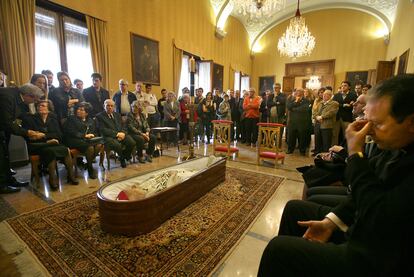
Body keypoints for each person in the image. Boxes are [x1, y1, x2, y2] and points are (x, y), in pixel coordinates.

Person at [258, 74, 414, 276]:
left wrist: (355, 154)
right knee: (294, 209)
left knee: (278, 250)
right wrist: (331, 221)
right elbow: (361, 194)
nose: (369, 131)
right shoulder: (397, 144)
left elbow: (377, 215)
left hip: (377, 256)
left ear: (411, 123)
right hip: (364, 228)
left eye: (378, 124)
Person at [22, 100, 79, 190]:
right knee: (50, 152)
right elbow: (31, 136)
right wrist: (47, 138)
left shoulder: (53, 118)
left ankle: (71, 176)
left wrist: (44, 135)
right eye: (39, 106)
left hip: (53, 143)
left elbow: (59, 134)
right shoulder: (31, 119)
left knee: (65, 149)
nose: (40, 107)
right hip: (38, 145)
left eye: (43, 106)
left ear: (49, 109)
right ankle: (52, 179)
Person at [0, 84, 45, 194]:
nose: (34, 103)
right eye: (34, 100)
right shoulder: (7, 97)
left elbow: (21, 118)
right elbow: (7, 122)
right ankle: (2, 185)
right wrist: (28, 133)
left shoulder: (19, 98)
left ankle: (10, 180)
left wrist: (32, 130)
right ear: (28, 96)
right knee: (0, 156)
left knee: (5, 155)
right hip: (2, 127)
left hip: (3, 130)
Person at [63, 102, 103, 179]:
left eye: (81, 110)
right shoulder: (71, 118)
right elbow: (70, 131)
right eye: (78, 109)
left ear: (87, 113)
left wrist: (93, 135)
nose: (78, 111)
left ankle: (88, 163)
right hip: (73, 140)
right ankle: (90, 167)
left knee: (99, 145)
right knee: (90, 148)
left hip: (87, 140)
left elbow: (94, 131)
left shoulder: (91, 120)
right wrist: (84, 136)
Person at [96, 99, 135, 168]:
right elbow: (103, 130)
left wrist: (122, 133)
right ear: (104, 106)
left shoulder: (117, 115)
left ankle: (124, 156)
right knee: (117, 145)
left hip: (120, 134)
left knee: (131, 142)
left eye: (112, 106)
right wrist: (117, 134)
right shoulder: (99, 116)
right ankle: (122, 159)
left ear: (114, 107)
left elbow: (123, 126)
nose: (110, 107)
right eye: (108, 105)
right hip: (108, 137)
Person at [286, 88, 311, 155]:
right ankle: (290, 149)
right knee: (291, 137)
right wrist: (296, 102)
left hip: (302, 122)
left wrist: (293, 109)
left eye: (300, 91)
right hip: (292, 122)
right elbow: (288, 106)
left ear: (303, 93)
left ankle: (302, 151)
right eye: (297, 91)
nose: (298, 93)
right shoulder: (292, 99)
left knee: (302, 137)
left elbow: (305, 109)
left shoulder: (306, 100)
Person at [332, 81, 357, 145]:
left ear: (349, 87)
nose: (343, 87)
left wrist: (351, 104)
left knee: (346, 135)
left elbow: (354, 105)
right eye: (342, 85)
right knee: (335, 135)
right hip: (337, 118)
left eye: (345, 85)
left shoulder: (353, 95)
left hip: (347, 118)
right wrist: (343, 105)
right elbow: (334, 105)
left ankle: (345, 150)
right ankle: (334, 150)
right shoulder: (336, 95)